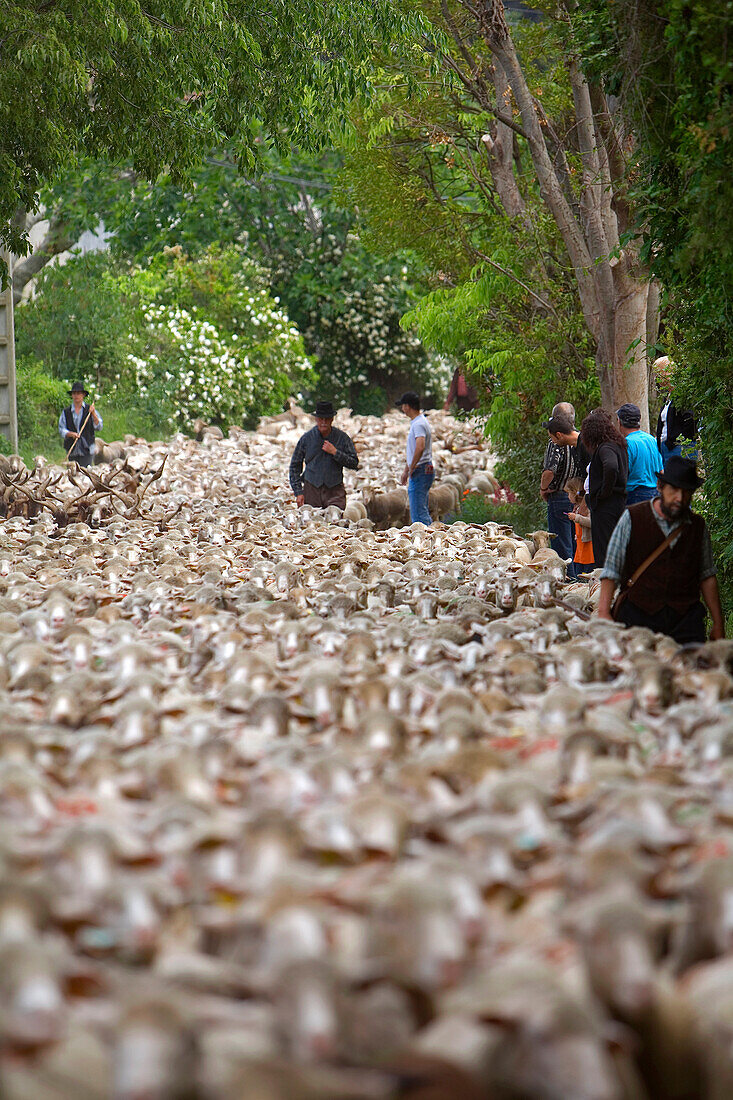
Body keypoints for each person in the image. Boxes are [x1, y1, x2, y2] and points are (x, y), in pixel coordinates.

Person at [596, 456, 724, 644]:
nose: (679, 498)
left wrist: (718, 623)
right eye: (674, 490)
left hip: (685, 622)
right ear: (660, 487)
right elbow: (611, 570)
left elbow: (707, 575)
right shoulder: (632, 517)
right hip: (638, 618)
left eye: (686, 492)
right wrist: (604, 612)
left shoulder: (697, 526)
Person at [580, 409, 628, 571]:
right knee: (615, 548)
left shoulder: (606, 448)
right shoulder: (617, 445)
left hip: (606, 506)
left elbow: (612, 467)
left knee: (605, 551)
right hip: (616, 503)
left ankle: (605, 588)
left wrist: (603, 493)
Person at [288, 400, 358, 509]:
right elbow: (295, 466)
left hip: (335, 491)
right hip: (311, 490)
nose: (324, 422)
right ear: (316, 419)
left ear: (332, 419)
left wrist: (335, 452)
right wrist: (298, 492)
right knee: (311, 524)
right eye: (321, 419)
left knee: (336, 523)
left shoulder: (342, 438)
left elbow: (354, 463)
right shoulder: (306, 438)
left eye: (327, 419)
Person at [540, 412, 581, 577]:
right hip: (577, 496)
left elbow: (550, 470)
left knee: (562, 544)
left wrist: (543, 488)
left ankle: (568, 581)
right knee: (576, 540)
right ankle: (580, 579)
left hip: (559, 496)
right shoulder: (580, 440)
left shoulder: (557, 442)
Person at [396, 391, 434, 525]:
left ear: (407, 406)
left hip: (420, 469)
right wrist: (406, 471)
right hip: (422, 468)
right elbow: (414, 450)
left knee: (418, 513)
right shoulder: (419, 422)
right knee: (420, 508)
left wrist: (412, 467)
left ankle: (427, 539)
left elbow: (420, 446)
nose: (402, 409)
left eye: (402, 406)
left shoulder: (418, 424)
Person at [616, 402, 663, 505]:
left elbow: (624, 473)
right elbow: (661, 470)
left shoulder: (627, 443)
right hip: (655, 493)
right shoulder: (651, 439)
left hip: (635, 494)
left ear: (620, 422)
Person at [654, 356, 697, 464]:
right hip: (665, 448)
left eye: (658, 374)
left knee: (678, 479)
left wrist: (676, 440)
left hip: (679, 448)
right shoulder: (667, 397)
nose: (656, 379)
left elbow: (690, 419)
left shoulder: (682, 394)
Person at [58, 381, 102, 467]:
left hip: (87, 448)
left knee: (85, 472)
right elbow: (61, 429)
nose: (76, 396)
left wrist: (93, 414)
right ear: (72, 395)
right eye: (74, 393)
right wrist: (70, 434)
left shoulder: (90, 410)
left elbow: (99, 426)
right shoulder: (66, 412)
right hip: (72, 448)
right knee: (72, 473)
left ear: (83, 395)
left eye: (78, 393)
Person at [565, 477, 595, 573]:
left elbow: (592, 522)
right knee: (579, 571)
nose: (568, 496)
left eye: (568, 493)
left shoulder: (586, 508)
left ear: (574, 493)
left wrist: (576, 518)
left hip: (588, 546)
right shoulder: (577, 508)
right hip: (581, 545)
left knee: (587, 570)